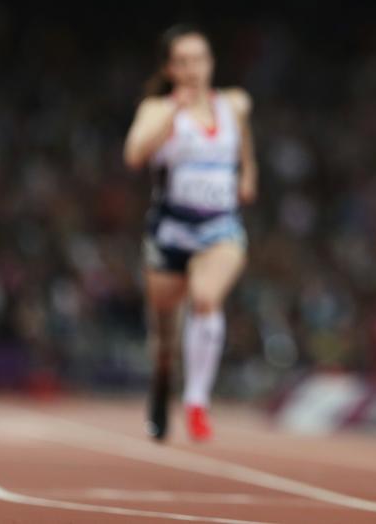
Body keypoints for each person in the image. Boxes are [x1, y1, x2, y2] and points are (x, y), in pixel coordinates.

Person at [123, 24, 257, 443]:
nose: (192, 69)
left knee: (205, 297)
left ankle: (197, 400)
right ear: (169, 68)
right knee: (164, 336)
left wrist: (248, 177)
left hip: (219, 227)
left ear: (211, 63)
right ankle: (162, 384)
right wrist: (171, 112)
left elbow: (245, 151)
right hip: (170, 230)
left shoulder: (233, 105)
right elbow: (133, 155)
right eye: (182, 62)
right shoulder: (157, 109)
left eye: (199, 59)